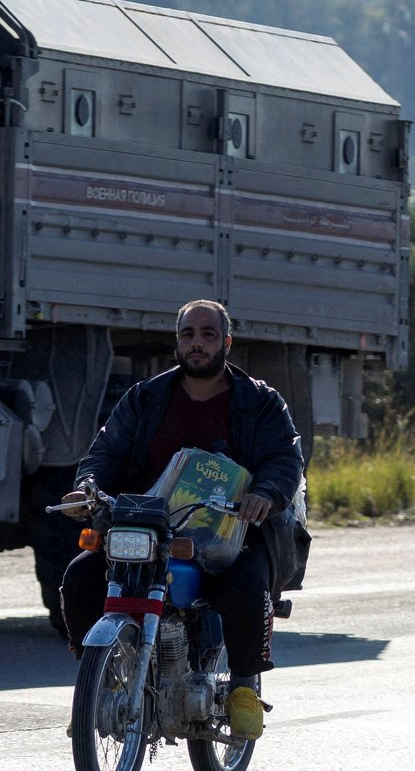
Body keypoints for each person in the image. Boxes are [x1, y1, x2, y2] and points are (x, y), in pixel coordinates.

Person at [56, 298, 304, 740]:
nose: (197, 343)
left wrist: (264, 494)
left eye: (208, 334)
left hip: (231, 531)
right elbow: (106, 451)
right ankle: (98, 681)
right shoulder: (145, 398)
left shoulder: (260, 402)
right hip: (148, 526)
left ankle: (243, 687)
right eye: (188, 334)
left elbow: (284, 457)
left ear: (226, 342)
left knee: (246, 584)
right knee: (81, 576)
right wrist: (87, 487)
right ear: (177, 341)